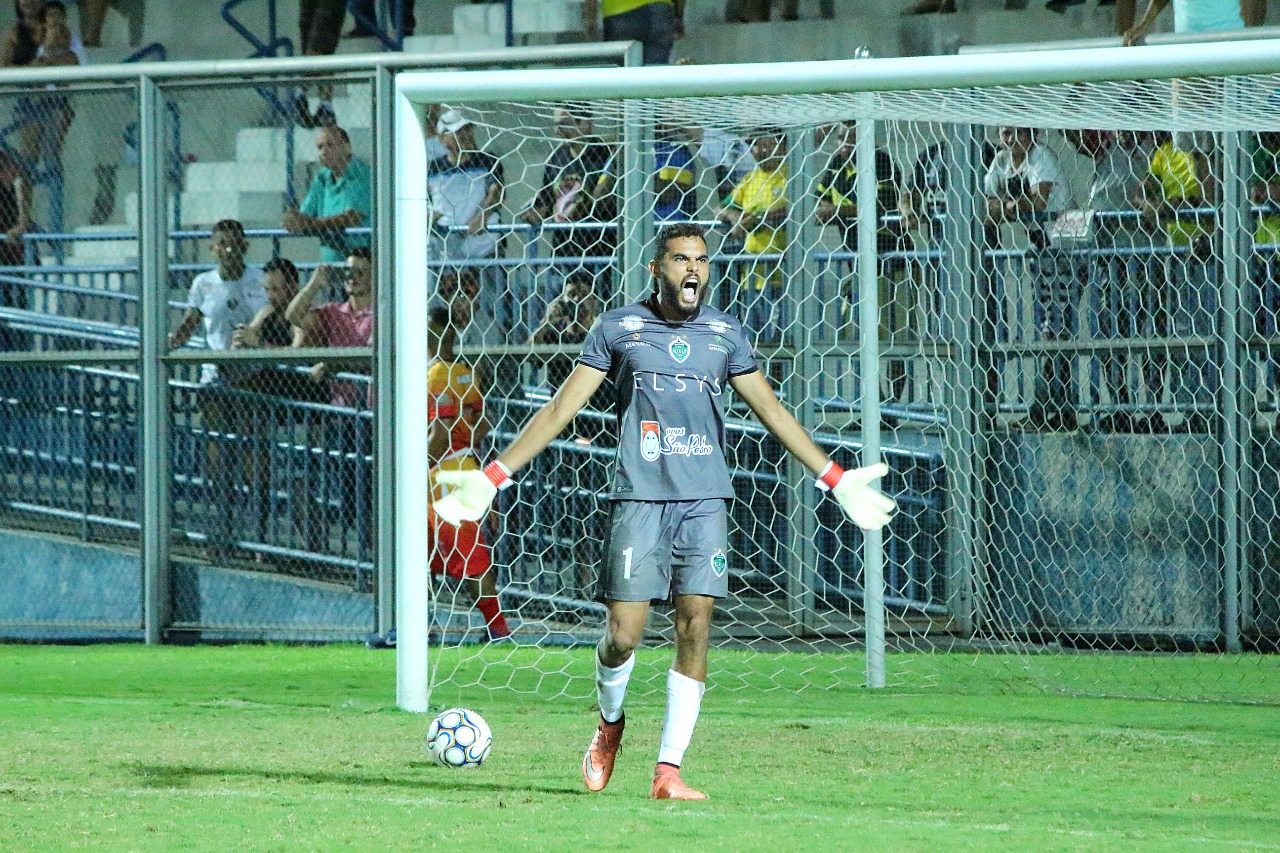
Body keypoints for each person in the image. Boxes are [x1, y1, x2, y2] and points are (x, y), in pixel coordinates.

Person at [432, 223, 896, 801]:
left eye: (701, 259)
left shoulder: (725, 334)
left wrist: (835, 478)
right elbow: (560, 408)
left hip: (704, 498)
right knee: (623, 637)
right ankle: (610, 723)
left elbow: (773, 411)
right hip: (640, 497)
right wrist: (494, 475)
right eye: (681, 259)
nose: (693, 269)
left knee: (695, 623)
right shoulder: (619, 328)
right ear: (657, 268)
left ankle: (668, 771)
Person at [425, 306, 511, 642]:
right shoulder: (465, 373)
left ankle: (498, 631)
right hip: (463, 465)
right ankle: (421, 628)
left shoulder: (434, 376)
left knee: (468, 558)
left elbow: (440, 433)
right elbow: (482, 424)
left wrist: (417, 466)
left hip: (441, 475)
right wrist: (464, 447)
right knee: (433, 554)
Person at [982, 126, 1074, 431]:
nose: (1012, 140)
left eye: (1019, 133)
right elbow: (988, 205)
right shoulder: (1001, 162)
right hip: (1040, 247)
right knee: (1051, 328)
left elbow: (1038, 202)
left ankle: (1052, 409)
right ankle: (1052, 409)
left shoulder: (1041, 157)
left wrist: (1009, 206)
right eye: (1006, 133)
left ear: (1031, 134)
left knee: (1057, 329)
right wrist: (1008, 206)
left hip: (1064, 246)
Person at [815, 121, 909, 412]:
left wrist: (838, 211)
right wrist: (830, 210)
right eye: (840, 137)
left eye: (851, 137)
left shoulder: (880, 161)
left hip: (889, 260)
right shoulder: (836, 165)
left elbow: (880, 205)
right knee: (857, 336)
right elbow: (818, 202)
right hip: (856, 264)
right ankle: (873, 406)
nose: (844, 143)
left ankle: (893, 406)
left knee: (895, 336)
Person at [169, 219, 268, 386]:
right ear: (212, 248)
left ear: (244, 247)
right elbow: (190, 323)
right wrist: (170, 344)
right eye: (222, 244)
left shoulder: (260, 279)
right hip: (215, 372)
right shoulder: (202, 283)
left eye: (234, 243)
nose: (229, 250)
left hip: (255, 372)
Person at [717, 127, 789, 344]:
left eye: (766, 144)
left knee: (780, 344)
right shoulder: (750, 179)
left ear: (782, 147)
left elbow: (795, 209)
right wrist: (735, 217)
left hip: (782, 277)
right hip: (751, 278)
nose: (760, 150)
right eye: (755, 145)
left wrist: (761, 218)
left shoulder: (791, 176)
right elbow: (721, 207)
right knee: (752, 344)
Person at [283, 126, 372, 265]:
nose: (324, 152)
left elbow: (352, 217)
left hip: (360, 260)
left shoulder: (361, 173)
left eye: (330, 145)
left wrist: (313, 224)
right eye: (320, 147)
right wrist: (292, 217)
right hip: (330, 264)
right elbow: (305, 214)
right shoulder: (322, 177)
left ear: (347, 148)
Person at [582, 0, 682, 65]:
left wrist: (590, 18)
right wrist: (678, 15)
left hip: (620, 13)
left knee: (622, 74)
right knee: (656, 71)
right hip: (660, 11)